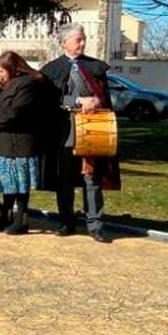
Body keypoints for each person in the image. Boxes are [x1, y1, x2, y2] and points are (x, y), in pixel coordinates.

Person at [39, 23, 120, 243]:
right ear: (65, 43)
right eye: (78, 40)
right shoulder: (51, 69)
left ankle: (95, 225)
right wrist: (75, 101)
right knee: (64, 179)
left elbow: (105, 99)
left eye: (83, 39)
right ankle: (67, 222)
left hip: (92, 129)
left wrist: (95, 101)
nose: (82, 43)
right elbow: (48, 100)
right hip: (64, 131)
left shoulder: (95, 67)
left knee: (91, 178)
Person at [0, 51, 48, 235]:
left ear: (12, 68)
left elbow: (15, 113)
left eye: (2, 70)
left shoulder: (27, 85)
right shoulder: (6, 85)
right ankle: (6, 216)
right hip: (3, 142)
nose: (0, 75)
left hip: (20, 144)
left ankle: (21, 220)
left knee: (20, 186)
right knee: (7, 184)